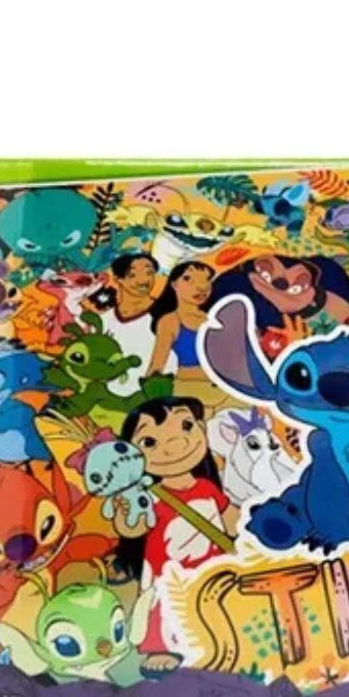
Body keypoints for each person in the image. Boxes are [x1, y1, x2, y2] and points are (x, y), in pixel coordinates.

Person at [113, 397, 238, 675]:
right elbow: (133, 529)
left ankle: (217, 644)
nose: (175, 444)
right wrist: (124, 513)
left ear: (201, 427)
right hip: (166, 568)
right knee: (164, 606)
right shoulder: (149, 496)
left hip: (210, 564)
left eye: (186, 426)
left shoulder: (206, 487)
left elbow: (231, 520)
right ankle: (162, 646)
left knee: (215, 604)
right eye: (149, 442)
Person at [92, 252, 161, 396]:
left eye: (149, 273)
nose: (143, 281)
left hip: (150, 395)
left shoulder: (165, 315)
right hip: (105, 397)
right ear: (118, 279)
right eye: (132, 275)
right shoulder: (103, 320)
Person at [147, 260, 215, 380]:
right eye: (188, 279)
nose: (202, 287)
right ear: (174, 284)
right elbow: (157, 366)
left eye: (207, 279)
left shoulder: (214, 318)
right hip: (188, 386)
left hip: (223, 388)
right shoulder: (170, 321)